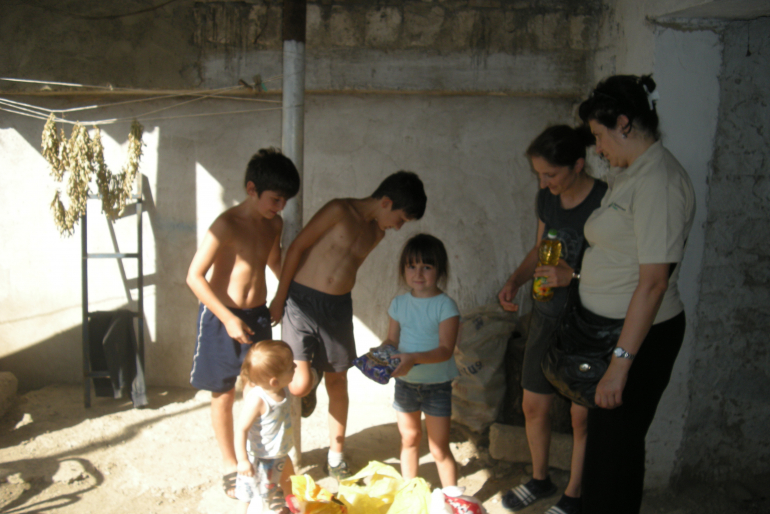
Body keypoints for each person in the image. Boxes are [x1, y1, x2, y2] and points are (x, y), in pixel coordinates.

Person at [576, 74, 695, 513]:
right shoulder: (634, 173)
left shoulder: (658, 181)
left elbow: (655, 282)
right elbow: (622, 253)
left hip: (640, 339)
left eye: (599, 135)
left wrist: (620, 365)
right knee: (609, 453)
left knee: (614, 457)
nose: (598, 148)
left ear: (624, 123)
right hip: (615, 332)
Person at [268, 171, 427, 481]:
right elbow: (297, 247)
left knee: (339, 381)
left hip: (337, 309)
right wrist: (280, 296)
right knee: (298, 385)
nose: (398, 227)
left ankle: (336, 457)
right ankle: (311, 376)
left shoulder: (377, 233)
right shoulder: (338, 210)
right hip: (300, 302)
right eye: (400, 219)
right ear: (386, 202)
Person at [498, 125, 607, 514]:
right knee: (533, 405)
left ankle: (574, 495)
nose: (544, 183)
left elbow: (619, 269)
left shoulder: (605, 202)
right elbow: (541, 247)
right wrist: (515, 280)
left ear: (578, 164)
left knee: (581, 417)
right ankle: (540, 479)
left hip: (586, 322)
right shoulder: (547, 198)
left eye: (550, 174)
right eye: (539, 175)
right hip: (546, 314)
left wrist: (572, 276)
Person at [187, 148, 300, 499]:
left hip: (258, 315)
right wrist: (227, 318)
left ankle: (258, 458)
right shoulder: (226, 225)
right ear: (252, 189)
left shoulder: (274, 224)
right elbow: (193, 276)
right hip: (222, 317)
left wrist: (282, 297)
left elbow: (274, 262)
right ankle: (230, 464)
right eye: (275, 199)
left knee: (260, 388)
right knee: (222, 393)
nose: (280, 207)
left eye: (284, 201)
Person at [380, 233, 460, 488]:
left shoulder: (445, 306)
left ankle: (453, 497)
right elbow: (392, 339)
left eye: (427, 267)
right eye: (411, 266)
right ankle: (409, 491)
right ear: (403, 269)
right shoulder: (399, 304)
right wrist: (380, 353)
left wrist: (413, 358)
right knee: (409, 439)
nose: (418, 273)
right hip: (405, 384)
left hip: (437, 386)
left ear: (440, 270)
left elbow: (445, 350)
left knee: (438, 449)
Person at [234, 340, 296, 514]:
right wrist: (242, 460)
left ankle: (293, 508)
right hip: (261, 459)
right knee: (251, 496)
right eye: (291, 367)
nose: (295, 366)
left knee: (290, 482)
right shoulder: (258, 400)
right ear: (274, 381)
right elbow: (241, 429)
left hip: (280, 453)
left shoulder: (283, 389)